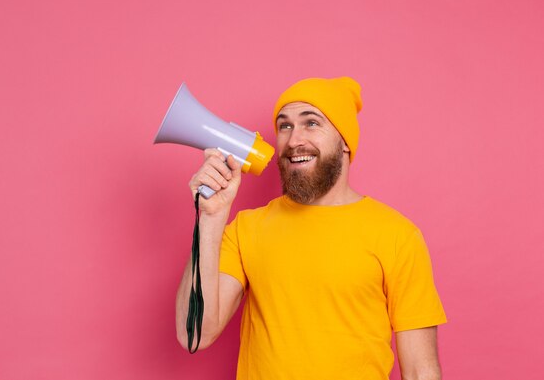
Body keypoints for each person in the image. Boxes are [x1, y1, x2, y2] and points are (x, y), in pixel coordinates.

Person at [175, 77, 447, 380]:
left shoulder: (397, 235)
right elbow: (194, 335)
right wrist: (210, 218)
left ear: (344, 141)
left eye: (312, 123)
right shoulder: (245, 229)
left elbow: (421, 371)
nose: (293, 141)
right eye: (285, 126)